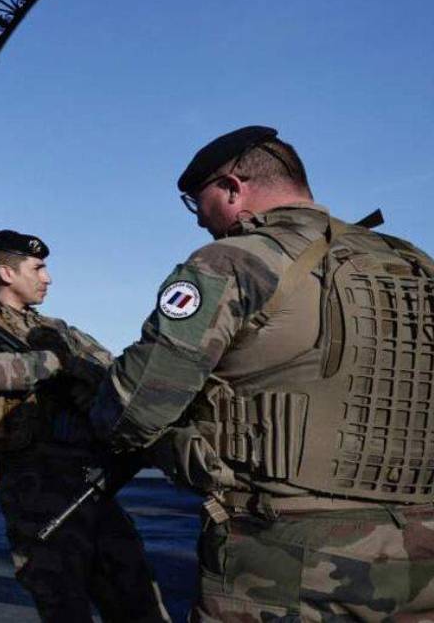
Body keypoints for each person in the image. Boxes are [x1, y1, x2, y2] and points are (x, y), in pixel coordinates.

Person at [91, 125, 434, 621]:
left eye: (198, 203)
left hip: (286, 559)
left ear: (233, 188)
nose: (200, 222)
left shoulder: (236, 260)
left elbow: (137, 404)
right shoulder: (414, 263)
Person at [0, 231, 169, 622]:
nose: (47, 278)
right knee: (62, 602)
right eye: (37, 268)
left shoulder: (59, 329)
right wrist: (54, 364)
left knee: (136, 593)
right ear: (6, 272)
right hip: (35, 488)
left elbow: (108, 368)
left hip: (91, 479)